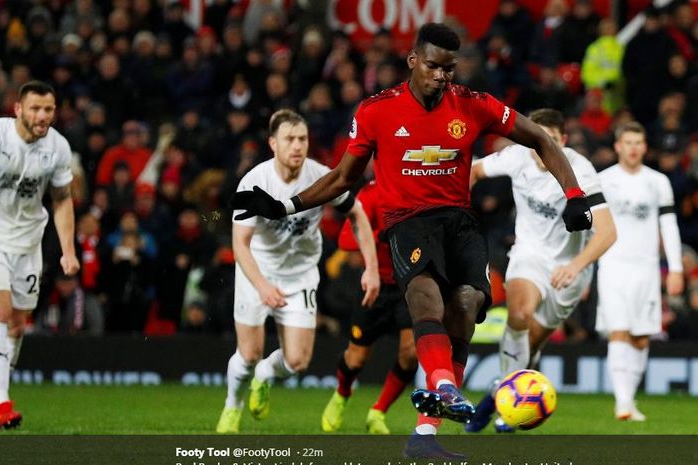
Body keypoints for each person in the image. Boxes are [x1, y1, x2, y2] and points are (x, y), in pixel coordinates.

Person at [230, 23, 592, 458]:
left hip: (459, 221)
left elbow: (536, 135)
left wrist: (574, 194)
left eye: (450, 69)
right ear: (414, 61)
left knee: (467, 302)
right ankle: (443, 386)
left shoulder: (473, 104)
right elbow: (344, 177)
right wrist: (286, 206)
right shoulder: (376, 111)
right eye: (435, 67)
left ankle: (424, 434)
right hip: (406, 222)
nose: (443, 77)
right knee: (426, 299)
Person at [216, 109, 380, 434]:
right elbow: (240, 245)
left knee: (297, 363)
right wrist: (262, 286)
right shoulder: (253, 182)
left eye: (302, 138)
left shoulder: (322, 176)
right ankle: (231, 408)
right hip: (257, 272)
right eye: (289, 139)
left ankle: (265, 374)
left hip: (301, 275)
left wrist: (371, 268)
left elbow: (357, 214)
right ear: (273, 143)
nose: (297, 146)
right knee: (248, 354)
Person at [466, 108, 616, 433]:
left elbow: (607, 233)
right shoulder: (516, 155)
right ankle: (509, 411)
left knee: (529, 348)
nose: (540, 146)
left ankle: (495, 396)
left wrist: (577, 266)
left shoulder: (581, 171)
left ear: (562, 141)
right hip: (529, 255)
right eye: (535, 139)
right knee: (518, 315)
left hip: (569, 269)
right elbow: (475, 170)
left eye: (548, 140)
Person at [0, 80, 80, 428]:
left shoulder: (58, 147)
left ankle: (1, 387)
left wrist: (68, 251)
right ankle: (1, 403)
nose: (42, 115)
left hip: (29, 241)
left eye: (48, 109)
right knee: (0, 313)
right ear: (18, 109)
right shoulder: (0, 138)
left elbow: (61, 198)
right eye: (34, 108)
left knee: (17, 325)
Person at [596, 121, 684, 421]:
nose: (633, 148)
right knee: (618, 331)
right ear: (618, 146)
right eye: (627, 142)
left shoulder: (658, 182)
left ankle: (629, 401)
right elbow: (590, 227)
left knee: (642, 336)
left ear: (644, 147)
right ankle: (622, 402)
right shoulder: (603, 180)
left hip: (646, 267)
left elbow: (668, 226)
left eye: (638, 142)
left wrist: (675, 269)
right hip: (613, 264)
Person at [320, 180, 417, 435]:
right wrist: (380, 235)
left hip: (410, 286)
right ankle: (341, 394)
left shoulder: (420, 188)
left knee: (410, 353)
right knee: (356, 358)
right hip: (376, 286)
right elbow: (345, 240)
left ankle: (378, 411)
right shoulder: (372, 193)